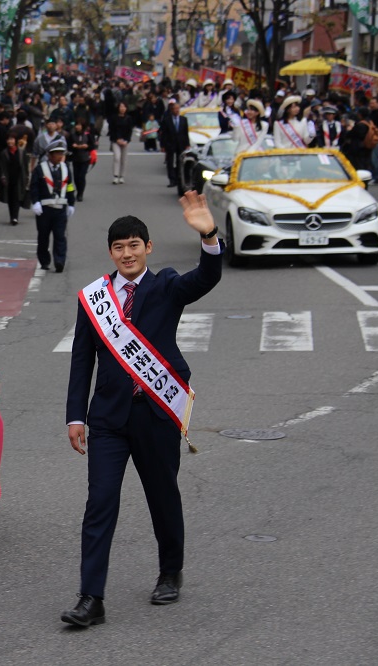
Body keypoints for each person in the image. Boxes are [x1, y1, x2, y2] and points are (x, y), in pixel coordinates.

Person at [61, 191, 223, 628]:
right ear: (111, 252)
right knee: (100, 503)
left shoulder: (167, 285)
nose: (127, 253)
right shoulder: (94, 298)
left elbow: (206, 277)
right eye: (119, 247)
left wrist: (208, 233)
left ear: (147, 248)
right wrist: (76, 415)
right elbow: (82, 359)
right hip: (109, 419)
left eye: (134, 245)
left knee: (162, 495)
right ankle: (91, 597)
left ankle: (170, 571)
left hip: (155, 413)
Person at [30, 139, 75, 273]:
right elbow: (34, 187)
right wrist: (35, 202)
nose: (60, 156)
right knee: (43, 236)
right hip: (44, 209)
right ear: (50, 155)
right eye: (57, 153)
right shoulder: (40, 169)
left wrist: (71, 203)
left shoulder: (65, 168)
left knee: (60, 236)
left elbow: (70, 187)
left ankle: (59, 261)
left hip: (60, 209)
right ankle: (44, 261)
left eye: (62, 153)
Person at [0, 134, 30, 226]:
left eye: (11, 139)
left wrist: (27, 177)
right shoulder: (4, 153)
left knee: (17, 197)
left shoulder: (21, 152)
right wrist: (3, 176)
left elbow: (25, 165)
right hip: (8, 179)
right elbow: (1, 166)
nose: (10, 141)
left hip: (19, 178)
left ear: (15, 140)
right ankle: (12, 216)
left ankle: (15, 217)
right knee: (10, 198)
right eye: (8, 140)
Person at [160, 102, 189, 194]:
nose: (177, 110)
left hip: (181, 143)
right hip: (170, 143)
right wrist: (163, 145)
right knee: (170, 162)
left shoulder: (183, 119)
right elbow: (163, 134)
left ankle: (179, 178)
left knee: (179, 161)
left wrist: (187, 144)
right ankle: (172, 180)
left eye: (178, 109)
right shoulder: (166, 120)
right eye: (175, 109)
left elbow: (185, 133)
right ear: (171, 110)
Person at [68, 120, 95, 202]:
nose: (77, 127)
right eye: (76, 125)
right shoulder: (72, 135)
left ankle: (80, 193)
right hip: (75, 158)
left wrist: (86, 146)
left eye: (79, 125)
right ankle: (78, 189)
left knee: (81, 176)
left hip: (85, 158)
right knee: (76, 176)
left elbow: (92, 146)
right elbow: (68, 146)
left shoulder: (87, 135)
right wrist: (73, 146)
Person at [108, 102, 133, 185]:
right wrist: (116, 139)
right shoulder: (114, 118)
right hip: (116, 140)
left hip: (125, 141)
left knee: (124, 159)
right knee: (117, 157)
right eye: (121, 107)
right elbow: (111, 130)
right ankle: (115, 176)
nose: (122, 108)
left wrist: (127, 140)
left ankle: (122, 176)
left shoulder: (129, 118)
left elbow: (130, 131)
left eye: (124, 107)